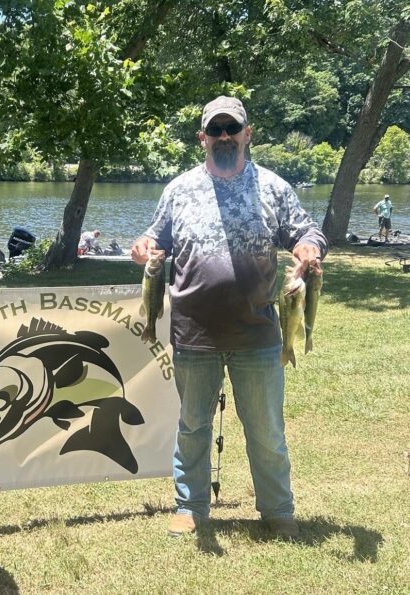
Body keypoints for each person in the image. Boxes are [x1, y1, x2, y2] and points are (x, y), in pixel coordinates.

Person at [131, 96, 327, 541]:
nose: (223, 137)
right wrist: (142, 246)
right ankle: (190, 507)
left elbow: (305, 230)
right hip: (193, 330)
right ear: (202, 138)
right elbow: (153, 236)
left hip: (257, 330)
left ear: (247, 134)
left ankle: (278, 511)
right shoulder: (179, 189)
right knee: (193, 427)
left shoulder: (273, 187)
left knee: (266, 430)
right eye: (214, 130)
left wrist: (309, 247)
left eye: (231, 129)